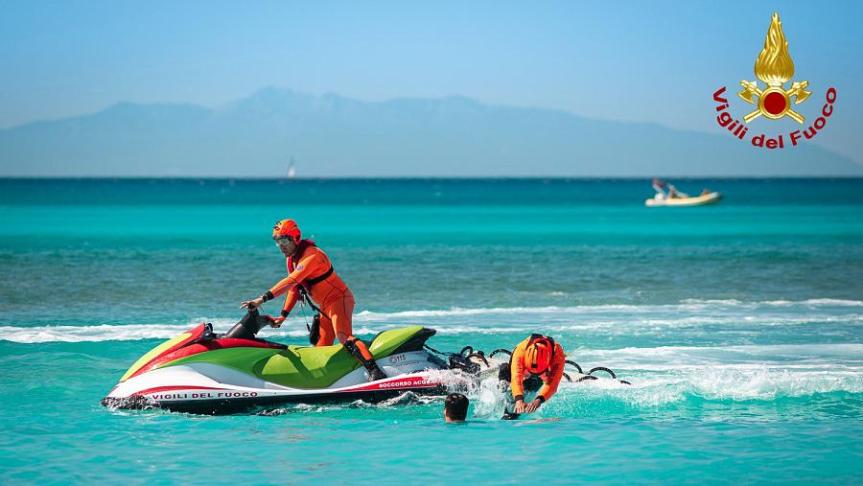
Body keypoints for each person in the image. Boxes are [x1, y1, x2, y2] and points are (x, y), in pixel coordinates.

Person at [241, 219, 386, 381]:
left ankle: (376, 372)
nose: (281, 245)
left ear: (295, 238)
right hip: (324, 307)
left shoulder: (313, 255)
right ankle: (330, 379)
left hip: (339, 300)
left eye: (284, 240)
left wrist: (262, 299)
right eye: (277, 241)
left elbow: (290, 281)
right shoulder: (291, 259)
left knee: (344, 337)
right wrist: (283, 315)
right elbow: (295, 288)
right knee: (321, 348)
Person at [498, 334, 565, 419]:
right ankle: (503, 383)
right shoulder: (520, 352)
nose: (529, 374)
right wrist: (519, 399)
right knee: (507, 373)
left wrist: (539, 400)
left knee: (531, 387)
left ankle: (512, 412)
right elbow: (516, 377)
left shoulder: (557, 355)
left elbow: (553, 384)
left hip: (541, 373)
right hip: (521, 360)